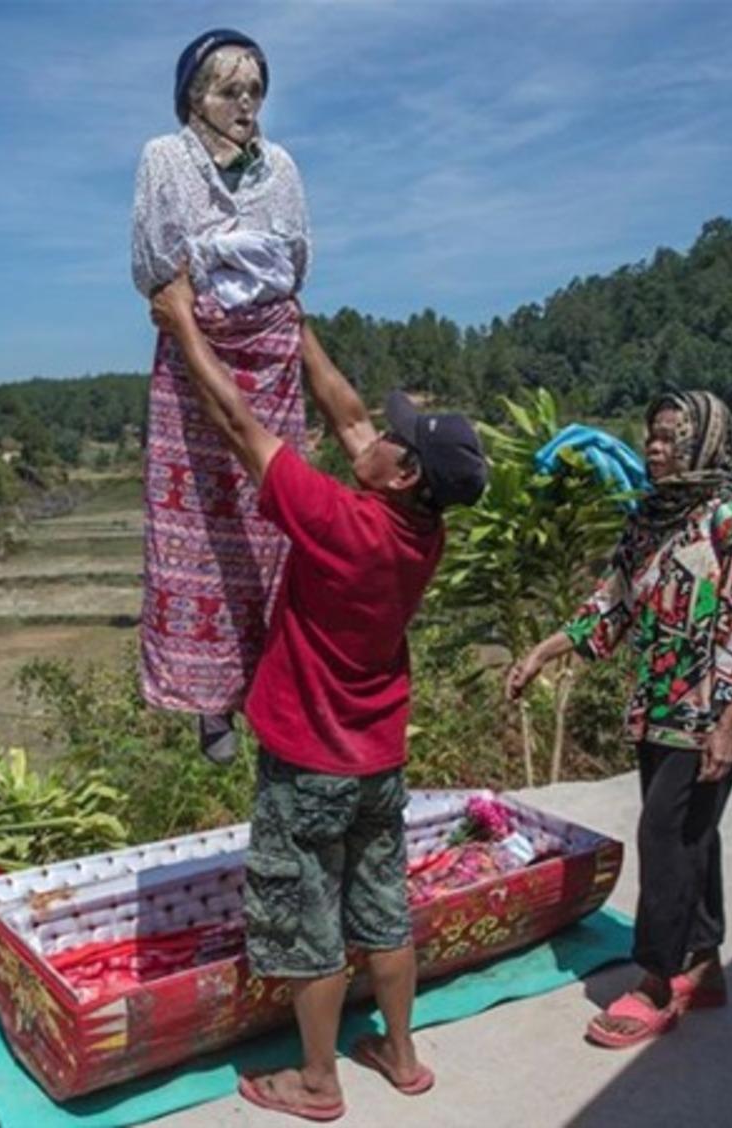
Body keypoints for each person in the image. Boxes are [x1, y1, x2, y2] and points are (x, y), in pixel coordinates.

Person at [150, 272, 487, 1120]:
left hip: (309, 766)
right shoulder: (421, 528)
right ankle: (401, 1058)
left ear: (402, 475)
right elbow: (344, 413)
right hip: (378, 758)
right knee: (381, 906)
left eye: (393, 437)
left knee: (308, 919)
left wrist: (186, 324)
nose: (369, 430)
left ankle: (318, 1078)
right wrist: (293, 328)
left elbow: (239, 426)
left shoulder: (339, 522)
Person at [507, 391, 732, 1049]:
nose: (654, 447)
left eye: (670, 437)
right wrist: (543, 650)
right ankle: (704, 964)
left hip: (711, 708)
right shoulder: (648, 522)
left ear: (704, 442)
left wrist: (729, 718)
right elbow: (611, 605)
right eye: (652, 436)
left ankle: (656, 979)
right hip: (657, 704)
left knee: (664, 833)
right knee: (692, 834)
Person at [132, 28, 312, 764]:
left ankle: (269, 680)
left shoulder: (283, 169)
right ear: (194, 97)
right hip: (196, 345)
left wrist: (231, 265)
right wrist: (213, 276)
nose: (244, 105)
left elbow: (294, 259)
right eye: (227, 90)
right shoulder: (164, 158)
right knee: (196, 521)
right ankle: (209, 700)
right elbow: (154, 260)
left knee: (271, 511)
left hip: (269, 354)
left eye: (254, 91)